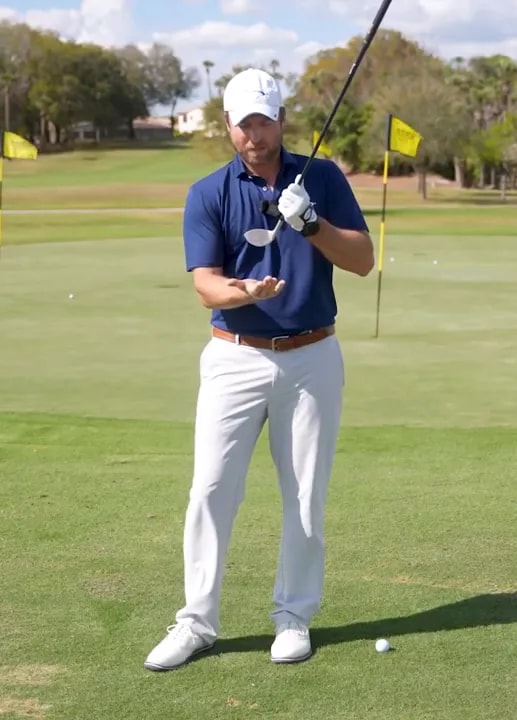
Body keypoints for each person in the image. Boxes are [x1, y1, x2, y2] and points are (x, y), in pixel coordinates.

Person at [144, 67, 374, 672]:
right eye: (244, 124)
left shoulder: (321, 177)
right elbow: (205, 285)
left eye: (264, 122)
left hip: (312, 356)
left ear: (281, 120)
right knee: (211, 490)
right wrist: (244, 291)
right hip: (235, 356)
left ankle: (292, 617)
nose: (255, 135)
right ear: (228, 124)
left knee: (305, 496)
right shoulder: (209, 192)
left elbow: (362, 260)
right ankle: (196, 623)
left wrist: (311, 224)